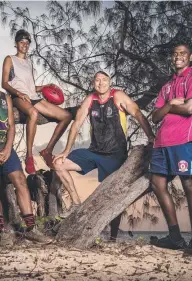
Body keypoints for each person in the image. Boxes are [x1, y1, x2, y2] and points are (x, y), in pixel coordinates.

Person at [53, 71, 155, 240]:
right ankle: (77, 204)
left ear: (110, 82)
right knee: (59, 164)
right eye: (97, 80)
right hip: (95, 152)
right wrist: (65, 151)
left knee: (114, 196)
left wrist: (151, 137)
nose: (101, 83)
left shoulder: (118, 96)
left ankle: (113, 237)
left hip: (116, 155)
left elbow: (137, 113)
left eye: (104, 80)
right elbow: (76, 124)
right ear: (93, 83)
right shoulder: (90, 100)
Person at [0, 59, 52, 246]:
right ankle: (1, 232)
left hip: (6, 147)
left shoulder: (4, 97)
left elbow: (12, 127)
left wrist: (7, 148)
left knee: (20, 180)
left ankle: (31, 229)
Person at [149, 42, 192, 256]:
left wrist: (169, 107)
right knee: (157, 183)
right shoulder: (166, 86)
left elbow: (190, 108)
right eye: (174, 54)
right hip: (162, 141)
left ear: (190, 57)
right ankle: (175, 237)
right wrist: (172, 103)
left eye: (182, 53)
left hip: (185, 140)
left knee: (189, 185)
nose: (178, 56)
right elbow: (155, 117)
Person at [2, 29, 72, 174]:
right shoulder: (10, 59)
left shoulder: (28, 63)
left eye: (27, 43)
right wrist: (18, 93)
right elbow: (4, 83)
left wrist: (45, 87)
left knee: (66, 116)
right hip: (18, 97)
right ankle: (29, 156)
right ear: (16, 44)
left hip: (33, 97)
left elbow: (32, 87)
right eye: (22, 42)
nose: (25, 45)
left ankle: (47, 151)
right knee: (33, 113)